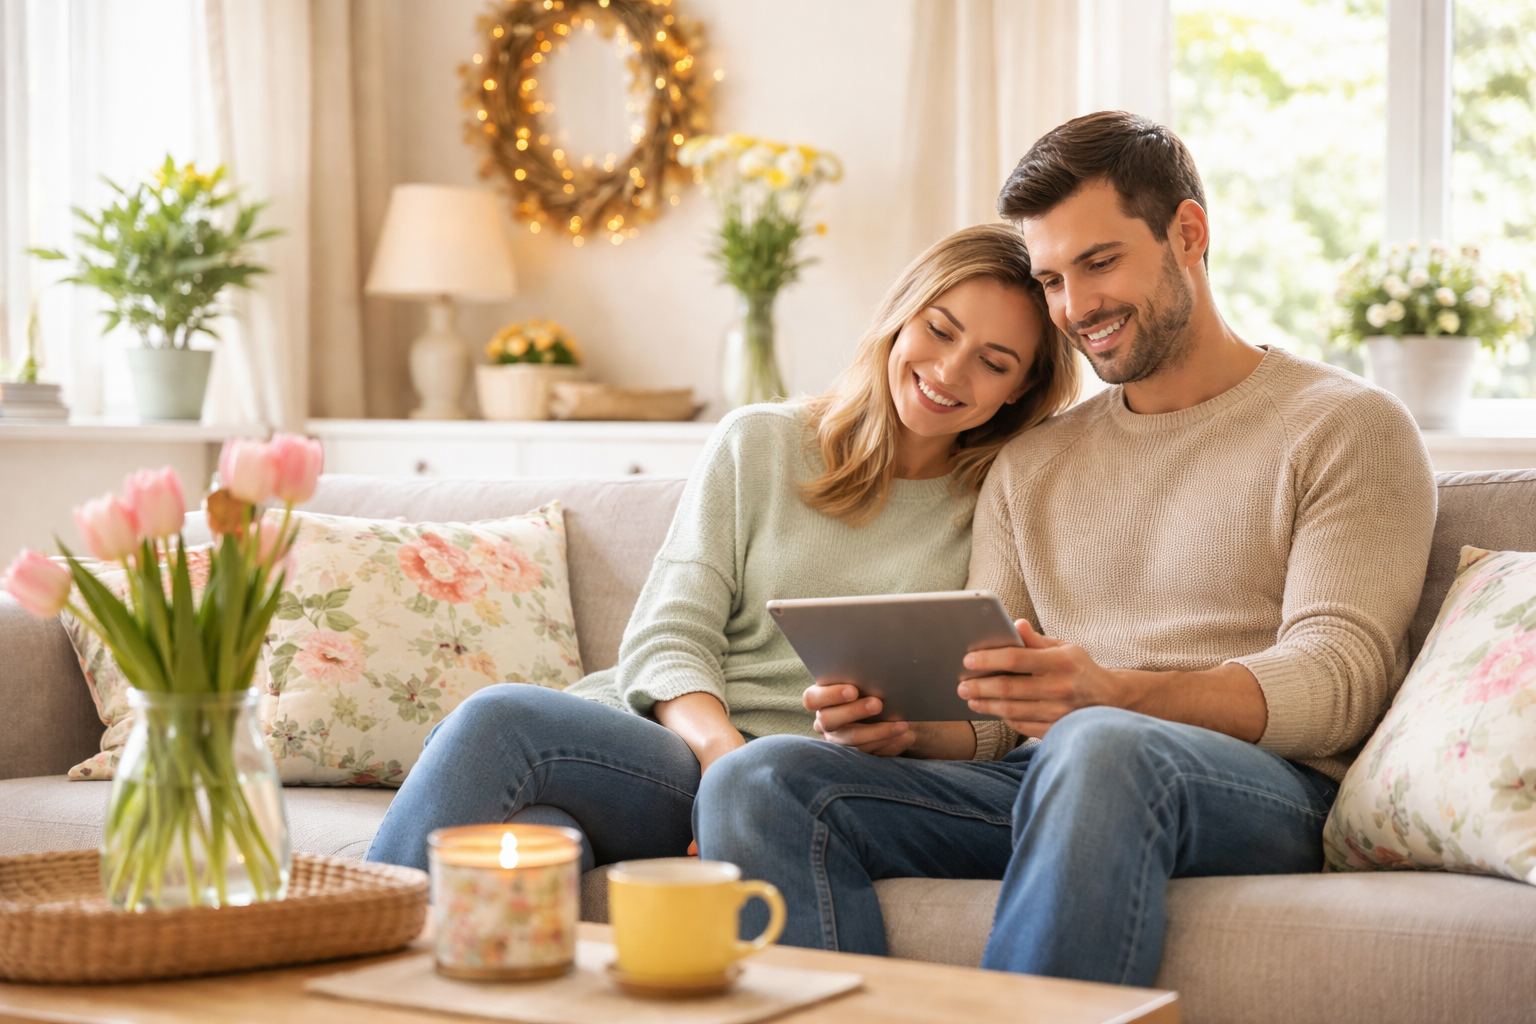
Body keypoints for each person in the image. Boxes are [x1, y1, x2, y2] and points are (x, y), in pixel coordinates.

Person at [695, 111, 1438, 986]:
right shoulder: (1032, 463)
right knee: (761, 779)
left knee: (1101, 742)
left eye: (1100, 262)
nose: (1076, 308)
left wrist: (1116, 695)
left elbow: (1341, 680)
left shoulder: (1347, 427)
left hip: (1258, 788)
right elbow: (997, 713)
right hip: (1054, 773)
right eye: (1051, 278)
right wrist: (909, 731)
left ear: (1188, 234)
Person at [365, 223, 1080, 875]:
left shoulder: (1000, 502)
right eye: (939, 329)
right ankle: (344, 967)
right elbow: (669, 634)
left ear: (1022, 390)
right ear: (900, 317)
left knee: (500, 726)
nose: (951, 371)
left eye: (993, 361)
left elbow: (996, 719)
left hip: (800, 784)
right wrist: (720, 755)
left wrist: (911, 735)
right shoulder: (762, 442)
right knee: (535, 836)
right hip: (670, 747)